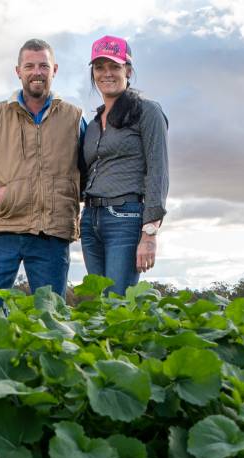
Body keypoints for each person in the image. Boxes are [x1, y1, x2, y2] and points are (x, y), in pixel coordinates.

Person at [0, 39, 85, 311]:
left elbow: (92, 169)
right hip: (3, 230)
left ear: (54, 69)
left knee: (49, 320)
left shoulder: (74, 118)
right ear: (18, 71)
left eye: (43, 66)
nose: (37, 71)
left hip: (52, 234)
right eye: (30, 66)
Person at [79, 35, 168, 296]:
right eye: (99, 67)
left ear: (127, 70)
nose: (106, 73)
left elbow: (158, 170)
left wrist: (150, 232)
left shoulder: (147, 111)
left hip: (125, 217)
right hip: (90, 220)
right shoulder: (94, 124)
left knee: (117, 302)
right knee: (98, 302)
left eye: (114, 67)